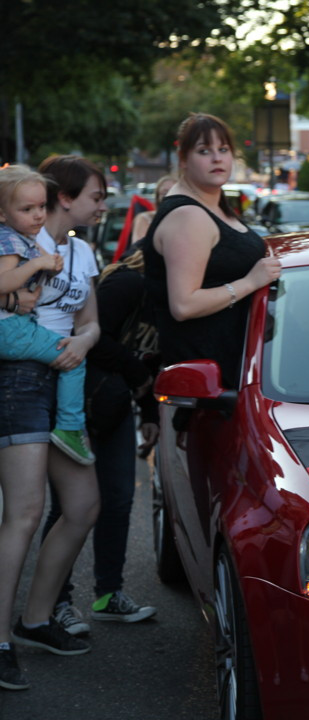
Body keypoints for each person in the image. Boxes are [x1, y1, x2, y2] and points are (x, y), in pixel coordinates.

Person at [0, 155, 106, 691]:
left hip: (63, 378)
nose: (103, 205)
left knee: (83, 505)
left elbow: (89, 319)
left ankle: (35, 620)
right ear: (64, 197)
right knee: (23, 512)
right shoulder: (12, 240)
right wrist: (17, 297)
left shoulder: (82, 251)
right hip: (18, 379)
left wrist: (82, 342)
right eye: (94, 195)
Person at [43, 244, 161, 635]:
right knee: (67, 508)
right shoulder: (129, 283)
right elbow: (93, 338)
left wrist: (149, 412)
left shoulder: (174, 295)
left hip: (116, 406)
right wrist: (137, 377)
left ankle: (108, 595)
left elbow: (154, 358)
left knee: (119, 499)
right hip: (78, 402)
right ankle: (55, 602)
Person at [143, 112, 281, 392]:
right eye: (204, 151)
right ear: (183, 159)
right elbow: (183, 305)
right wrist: (249, 283)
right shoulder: (188, 216)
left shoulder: (212, 205)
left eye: (223, 150)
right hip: (212, 387)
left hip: (244, 372)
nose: (217, 159)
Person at [0, 165, 94, 465]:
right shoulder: (9, 241)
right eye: (27, 209)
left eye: (41, 206)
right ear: (3, 214)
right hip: (11, 330)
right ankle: (70, 427)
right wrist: (37, 265)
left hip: (16, 326)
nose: (39, 215)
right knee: (73, 361)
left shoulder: (19, 236)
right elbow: (3, 281)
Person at [130, 174, 178, 243]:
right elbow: (138, 249)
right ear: (157, 197)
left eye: (174, 192)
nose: (169, 196)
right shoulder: (145, 218)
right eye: (165, 193)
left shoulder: (186, 220)